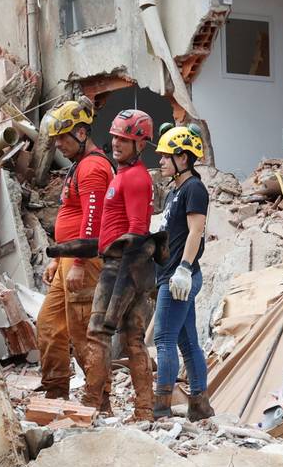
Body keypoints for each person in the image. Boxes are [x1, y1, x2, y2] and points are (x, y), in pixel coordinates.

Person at [36, 100, 114, 400]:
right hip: (71, 258)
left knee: (84, 332)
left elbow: (92, 222)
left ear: (82, 132)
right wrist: (60, 260)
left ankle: (98, 398)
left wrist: (78, 261)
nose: (59, 145)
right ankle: (56, 393)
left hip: (85, 260)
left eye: (63, 137)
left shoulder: (93, 167)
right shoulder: (80, 165)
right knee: (49, 324)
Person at [82, 109, 157, 422]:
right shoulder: (125, 175)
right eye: (114, 137)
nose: (116, 143)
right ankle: (143, 411)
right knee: (133, 339)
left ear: (140, 145)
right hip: (132, 268)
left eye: (125, 139)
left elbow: (138, 229)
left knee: (98, 333)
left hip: (122, 268)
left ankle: (88, 406)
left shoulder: (136, 179)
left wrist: (123, 276)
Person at [152, 126, 213, 421]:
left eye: (167, 156)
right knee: (187, 342)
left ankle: (161, 406)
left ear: (184, 158)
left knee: (163, 339)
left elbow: (196, 231)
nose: (161, 161)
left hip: (179, 277)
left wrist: (184, 270)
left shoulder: (194, 189)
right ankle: (200, 404)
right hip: (171, 273)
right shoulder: (175, 191)